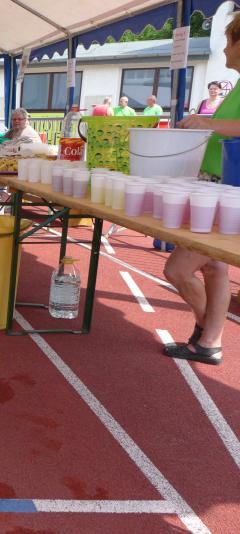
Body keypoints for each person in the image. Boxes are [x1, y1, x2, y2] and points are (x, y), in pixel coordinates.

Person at [160, 14, 240, 365]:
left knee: (177, 270)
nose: (224, 48)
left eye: (229, 40)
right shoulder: (237, 84)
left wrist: (207, 122)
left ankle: (207, 331)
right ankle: (209, 341)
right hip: (217, 184)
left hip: (226, 190)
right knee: (215, 268)